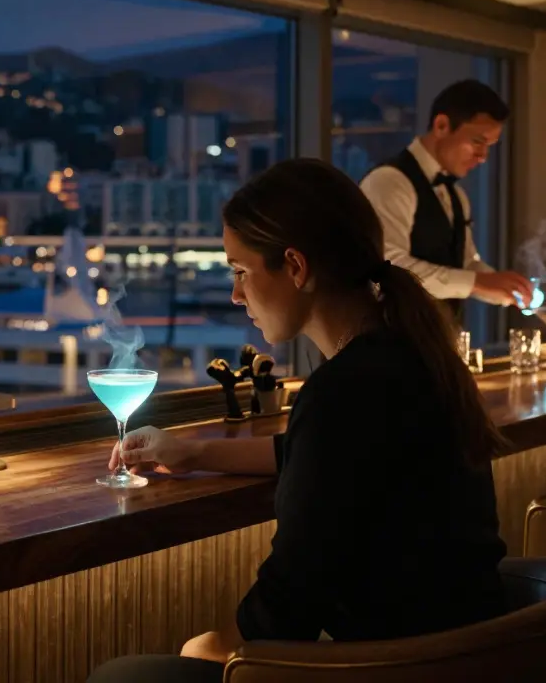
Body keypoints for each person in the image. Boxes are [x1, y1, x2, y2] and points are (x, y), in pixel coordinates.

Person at [87, 158, 508, 683]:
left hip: (396, 666)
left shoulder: (345, 389)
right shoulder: (412, 358)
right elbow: (321, 458)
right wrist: (190, 452)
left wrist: (216, 647)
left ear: (295, 267)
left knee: (126, 675)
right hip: (470, 653)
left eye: (241, 272)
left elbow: (292, 602)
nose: (236, 294)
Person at [360, 79, 532, 319]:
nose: (483, 156)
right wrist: (476, 282)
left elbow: (466, 263)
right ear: (441, 125)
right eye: (478, 141)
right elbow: (388, 267)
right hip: (391, 334)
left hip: (442, 335)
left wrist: (503, 286)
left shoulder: (457, 195)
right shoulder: (389, 181)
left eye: (489, 146)